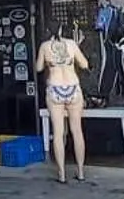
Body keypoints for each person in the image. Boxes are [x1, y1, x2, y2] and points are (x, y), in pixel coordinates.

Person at [39, 25, 91, 184]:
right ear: (62, 29)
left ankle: (61, 174)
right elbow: (84, 64)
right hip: (73, 88)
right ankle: (80, 172)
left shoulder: (44, 46)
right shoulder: (71, 44)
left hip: (54, 88)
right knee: (77, 131)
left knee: (58, 133)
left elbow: (38, 67)